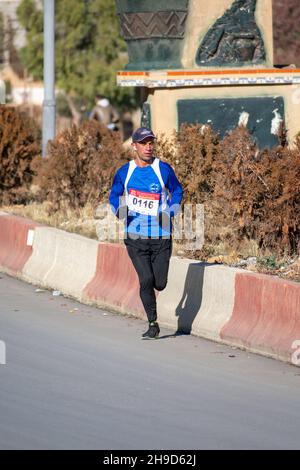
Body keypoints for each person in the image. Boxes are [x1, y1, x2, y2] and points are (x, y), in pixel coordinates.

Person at [109, 127, 183, 339]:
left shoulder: (163, 170)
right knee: (146, 280)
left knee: (160, 283)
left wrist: (171, 211)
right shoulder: (125, 172)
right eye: (143, 143)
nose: (148, 147)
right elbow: (114, 196)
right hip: (135, 236)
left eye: (151, 142)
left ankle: (153, 312)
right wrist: (119, 210)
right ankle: (153, 324)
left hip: (161, 236)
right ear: (134, 146)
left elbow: (177, 191)